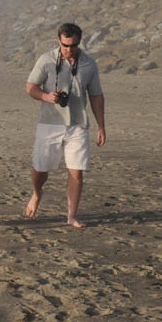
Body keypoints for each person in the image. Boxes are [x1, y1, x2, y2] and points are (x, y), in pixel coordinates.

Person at [24, 23, 106, 228]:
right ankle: (37, 192)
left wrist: (101, 126)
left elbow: (96, 96)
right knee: (40, 169)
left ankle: (71, 216)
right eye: (65, 45)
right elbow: (30, 87)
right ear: (59, 40)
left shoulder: (89, 64)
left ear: (79, 42)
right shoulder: (46, 60)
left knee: (76, 170)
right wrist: (46, 96)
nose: (68, 49)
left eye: (73, 45)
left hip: (77, 124)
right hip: (50, 123)